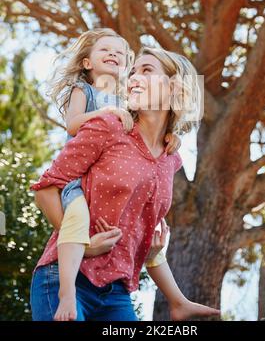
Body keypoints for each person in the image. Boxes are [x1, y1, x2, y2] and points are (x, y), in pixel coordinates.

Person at [31, 45, 220, 321]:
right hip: (64, 279)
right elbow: (46, 189)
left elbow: (135, 229)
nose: (133, 77)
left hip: (117, 292)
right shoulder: (109, 126)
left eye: (146, 70)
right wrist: (84, 244)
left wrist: (153, 253)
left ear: (174, 88)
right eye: (132, 71)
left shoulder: (171, 158)